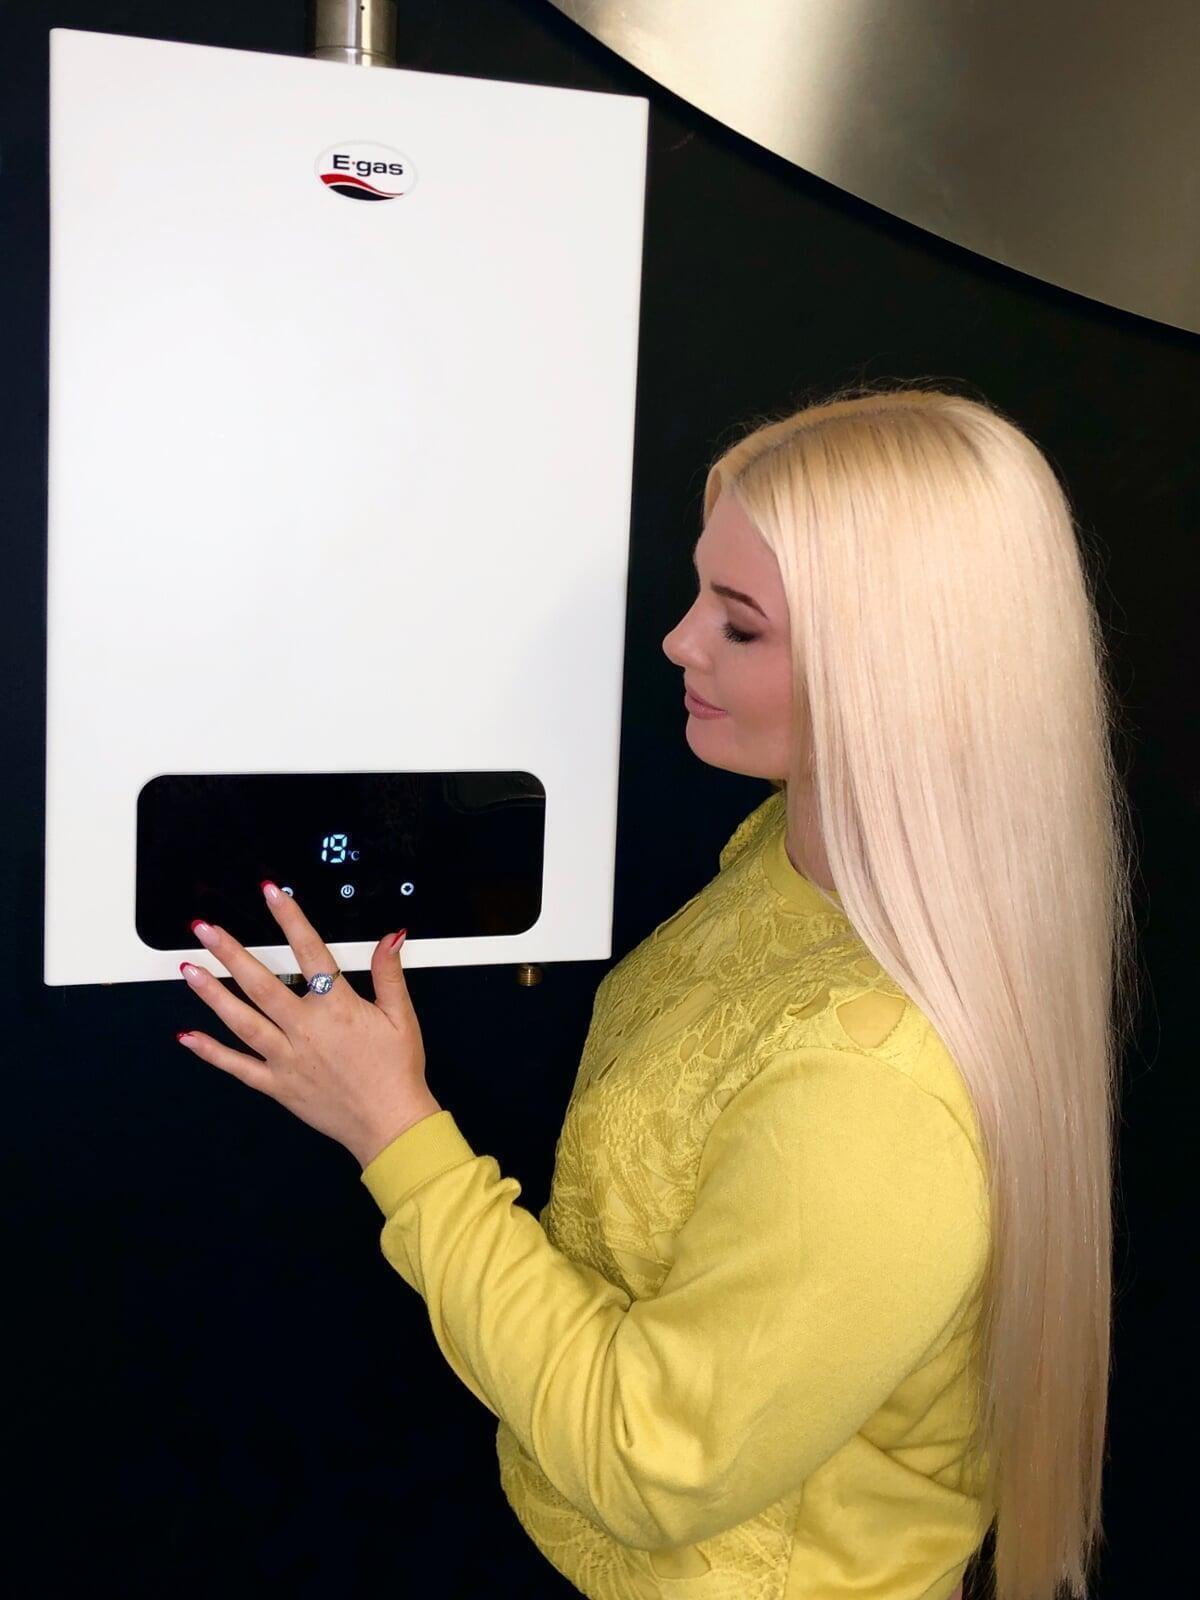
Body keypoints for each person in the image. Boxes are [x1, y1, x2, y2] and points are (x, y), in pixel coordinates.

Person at [359, 381, 1137, 1599]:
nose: (677, 641)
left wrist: (394, 1131)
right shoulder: (786, 852)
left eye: (740, 624)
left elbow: (650, 1459)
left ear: (898, 671)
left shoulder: (875, 1090)